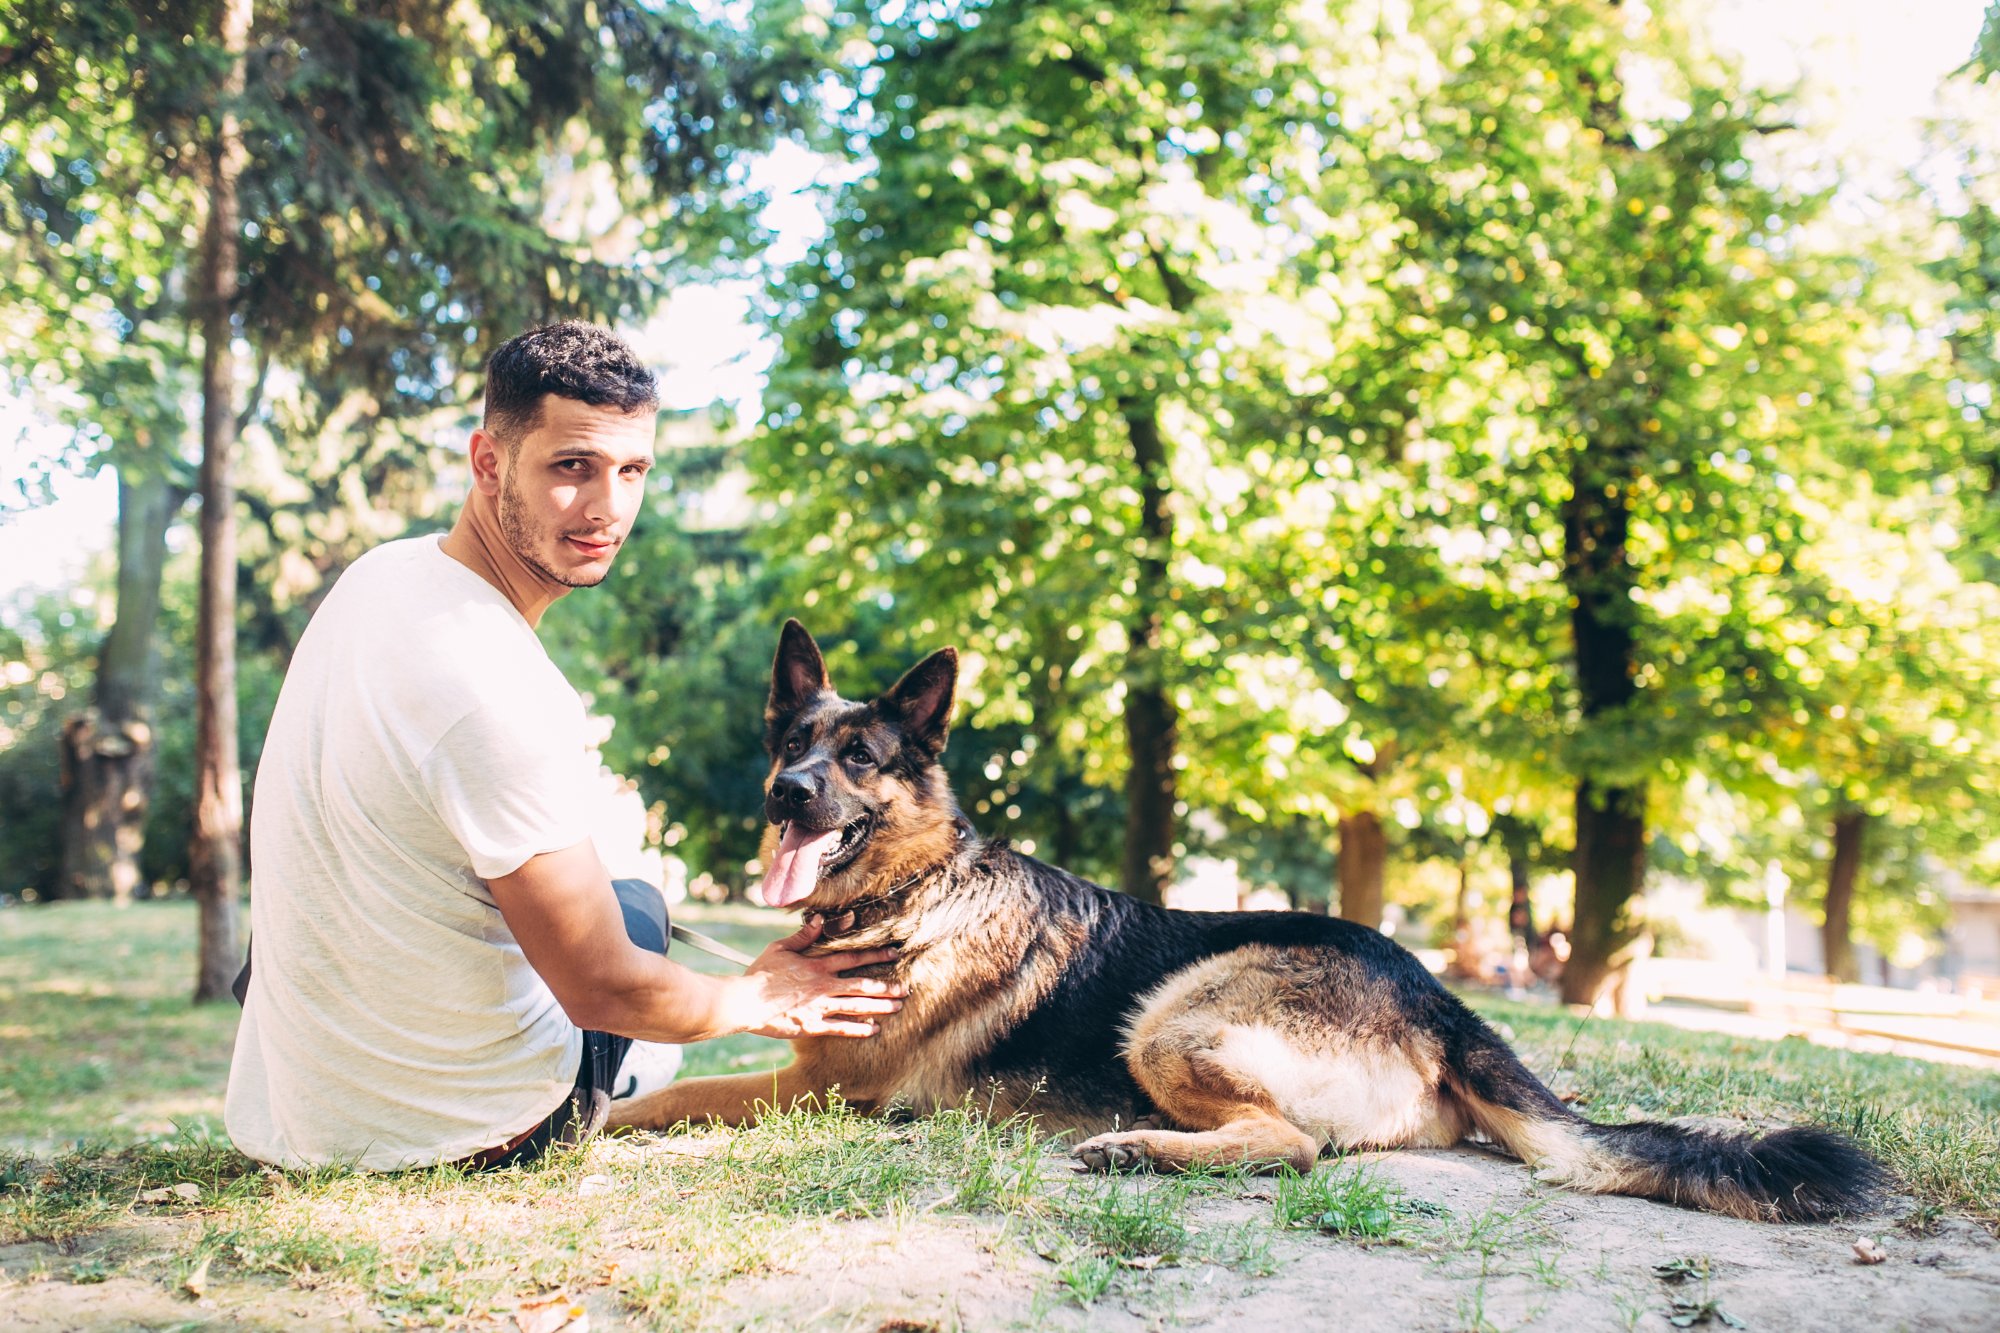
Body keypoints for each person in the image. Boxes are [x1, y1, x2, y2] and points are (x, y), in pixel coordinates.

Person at [224, 322, 903, 1171]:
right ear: (488, 462)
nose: (607, 507)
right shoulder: (497, 686)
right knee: (637, 918)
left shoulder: (378, 577)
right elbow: (601, 985)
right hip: (455, 1132)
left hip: (293, 1108)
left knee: (626, 902)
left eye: (632, 471)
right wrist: (757, 995)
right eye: (571, 466)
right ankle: (629, 1068)